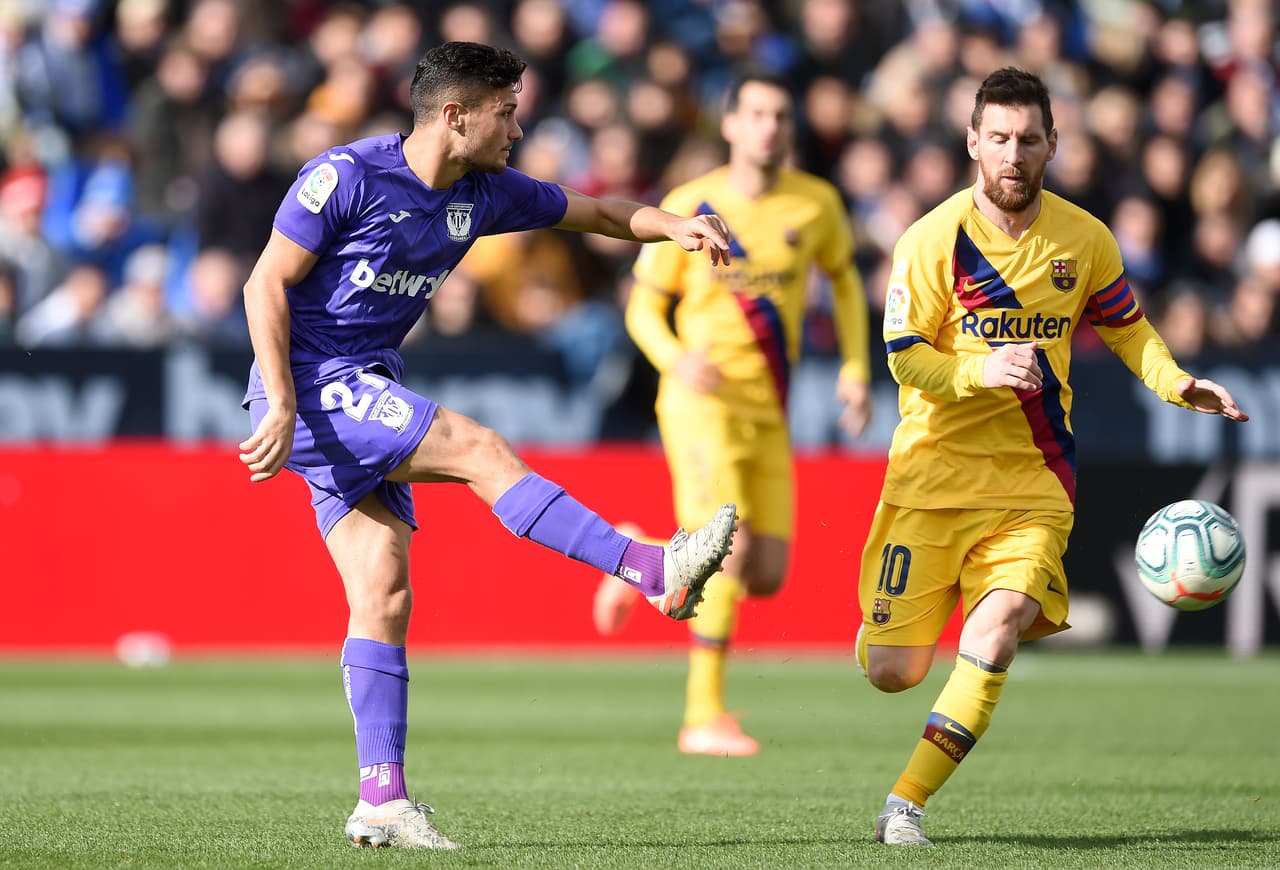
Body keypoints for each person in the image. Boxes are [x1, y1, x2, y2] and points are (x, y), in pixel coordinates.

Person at [236, 41, 741, 851]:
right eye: (505, 111)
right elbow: (265, 282)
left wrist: (675, 224)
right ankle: (651, 568)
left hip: (363, 383)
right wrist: (283, 400)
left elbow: (603, 213)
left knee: (384, 590)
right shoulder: (347, 176)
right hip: (312, 381)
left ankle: (382, 801)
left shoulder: (485, 194)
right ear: (454, 114)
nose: (517, 124)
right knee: (476, 447)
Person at [857, 67, 1248, 846]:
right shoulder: (932, 240)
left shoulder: (1085, 238)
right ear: (972, 143)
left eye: (1028, 139)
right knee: (892, 671)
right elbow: (903, 358)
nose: (1012, 154)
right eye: (997, 138)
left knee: (997, 627)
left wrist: (1175, 383)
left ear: (1052, 145)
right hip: (930, 477)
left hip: (1033, 482)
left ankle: (904, 806)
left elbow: (1128, 328)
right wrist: (979, 368)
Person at [592, 69, 874, 756]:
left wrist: (857, 368)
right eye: (756, 113)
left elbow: (844, 281)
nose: (769, 126)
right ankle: (702, 715)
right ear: (730, 124)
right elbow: (641, 306)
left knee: (767, 575)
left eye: (780, 114)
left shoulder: (816, 205)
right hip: (700, 403)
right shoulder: (692, 204)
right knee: (729, 547)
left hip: (769, 411)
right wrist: (674, 359)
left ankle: (645, 554)